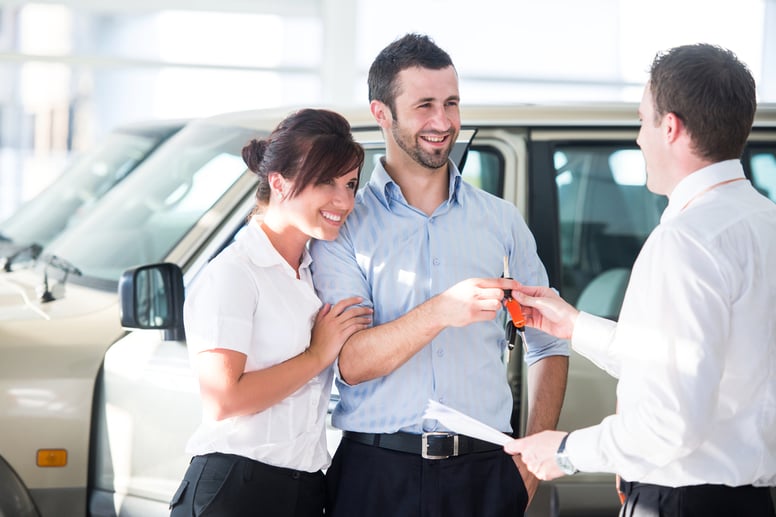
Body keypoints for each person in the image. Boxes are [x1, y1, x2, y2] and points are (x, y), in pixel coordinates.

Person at [503, 43, 776, 517]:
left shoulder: (686, 241)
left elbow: (669, 423)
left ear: (670, 127)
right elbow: (684, 365)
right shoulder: (763, 223)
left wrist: (565, 450)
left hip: (682, 502)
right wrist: (574, 326)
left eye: (642, 121)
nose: (638, 139)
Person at [309, 33, 569, 517]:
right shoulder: (344, 226)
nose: (443, 122)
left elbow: (549, 343)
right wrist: (442, 311)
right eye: (424, 105)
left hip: (487, 473)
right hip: (376, 475)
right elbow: (349, 362)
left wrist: (530, 462)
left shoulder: (502, 220)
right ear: (381, 112)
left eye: (451, 103)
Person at [169, 108, 373, 517]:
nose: (345, 200)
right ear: (279, 182)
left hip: (305, 489)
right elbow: (223, 400)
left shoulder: (315, 274)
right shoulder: (235, 273)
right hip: (236, 489)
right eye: (326, 182)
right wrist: (316, 356)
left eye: (350, 184)